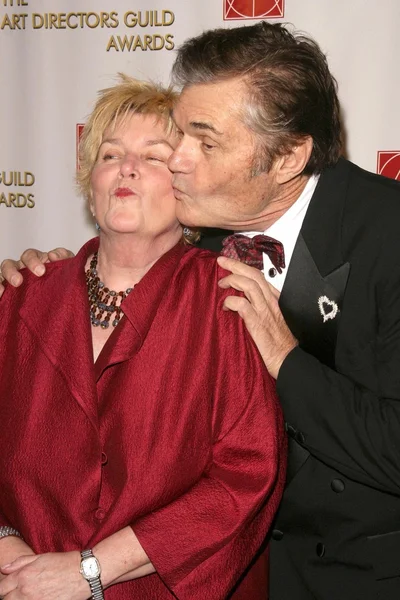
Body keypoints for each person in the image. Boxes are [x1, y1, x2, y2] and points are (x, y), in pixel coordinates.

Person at [3, 20, 400, 600]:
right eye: (180, 134)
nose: (178, 161)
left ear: (288, 157)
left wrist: (286, 361)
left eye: (204, 142)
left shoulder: (388, 234)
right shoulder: (200, 234)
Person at [0, 74, 287, 600]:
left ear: (186, 181)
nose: (126, 167)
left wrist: (86, 572)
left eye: (153, 157)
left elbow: (246, 476)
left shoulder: (227, 297)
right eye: (110, 155)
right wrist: (7, 549)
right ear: (91, 184)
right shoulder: (22, 296)